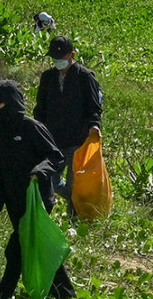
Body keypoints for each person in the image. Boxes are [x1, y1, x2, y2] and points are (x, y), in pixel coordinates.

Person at [0, 80, 75, 299]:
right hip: (14, 200)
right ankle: (66, 295)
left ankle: (2, 296)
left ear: (9, 102)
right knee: (37, 245)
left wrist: (40, 171)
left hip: (37, 200)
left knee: (15, 250)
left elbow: (55, 156)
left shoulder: (31, 127)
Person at [33, 35, 103, 219]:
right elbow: (40, 108)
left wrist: (94, 125)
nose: (57, 61)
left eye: (61, 58)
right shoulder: (48, 77)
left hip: (77, 140)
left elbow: (94, 106)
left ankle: (75, 219)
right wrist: (38, 129)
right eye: (54, 58)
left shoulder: (84, 77)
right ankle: (77, 202)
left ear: (72, 55)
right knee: (51, 181)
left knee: (74, 183)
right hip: (53, 140)